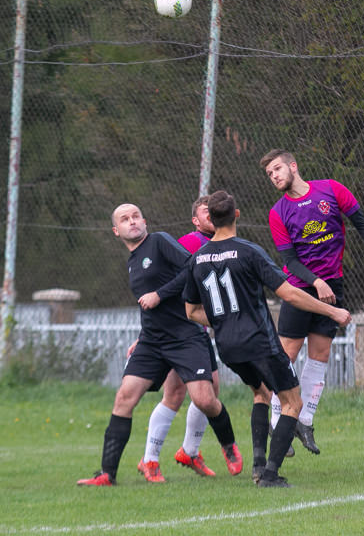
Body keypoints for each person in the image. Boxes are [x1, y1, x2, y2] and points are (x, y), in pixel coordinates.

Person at [183, 190, 352, 487]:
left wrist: (224, 322)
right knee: (292, 402)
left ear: (210, 219)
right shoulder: (248, 251)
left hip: (227, 346)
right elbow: (288, 293)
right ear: (236, 215)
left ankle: (259, 466)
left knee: (261, 392)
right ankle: (270, 475)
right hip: (259, 341)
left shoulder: (197, 259)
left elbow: (191, 310)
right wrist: (332, 311)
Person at [77, 203, 241, 486]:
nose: (132, 221)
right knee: (124, 398)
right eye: (125, 219)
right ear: (116, 231)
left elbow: (193, 268)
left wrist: (160, 294)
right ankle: (107, 474)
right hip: (153, 341)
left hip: (186, 335)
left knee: (204, 399)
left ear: (144, 221)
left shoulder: (159, 241)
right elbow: (148, 305)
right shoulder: (132, 261)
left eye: (136, 216)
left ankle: (228, 445)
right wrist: (142, 336)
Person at [260, 149, 364, 454]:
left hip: (333, 284)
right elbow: (290, 261)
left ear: (293, 166)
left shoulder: (331, 190)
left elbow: (362, 223)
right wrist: (315, 282)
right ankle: (276, 419)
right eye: (270, 174)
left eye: (278, 169)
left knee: (320, 354)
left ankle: (304, 420)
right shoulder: (278, 212)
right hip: (299, 288)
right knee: (288, 355)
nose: (275, 176)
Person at [133, 195, 219, 481]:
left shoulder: (225, 243)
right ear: (196, 220)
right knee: (176, 394)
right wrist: (145, 335)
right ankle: (151, 459)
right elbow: (166, 285)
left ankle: (187, 452)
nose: (212, 215)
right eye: (206, 212)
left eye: (215, 211)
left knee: (208, 392)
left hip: (198, 330)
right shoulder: (190, 243)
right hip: (178, 331)